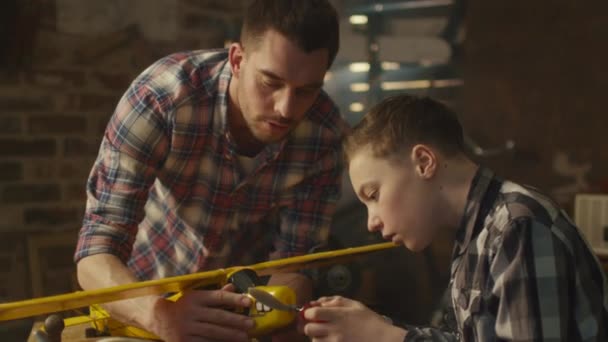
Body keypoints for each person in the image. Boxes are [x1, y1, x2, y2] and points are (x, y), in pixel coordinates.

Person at [73, 1, 346, 341]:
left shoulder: (324, 134)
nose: (286, 109)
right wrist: (159, 315)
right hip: (138, 307)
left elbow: (295, 260)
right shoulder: (161, 98)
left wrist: (273, 315)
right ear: (237, 59)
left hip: (242, 317)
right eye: (270, 82)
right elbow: (96, 254)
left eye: (306, 91)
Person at [302, 94, 608, 341]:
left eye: (373, 195)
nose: (371, 222)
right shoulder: (477, 234)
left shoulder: (519, 226)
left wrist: (387, 337)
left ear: (423, 162)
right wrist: (367, 328)